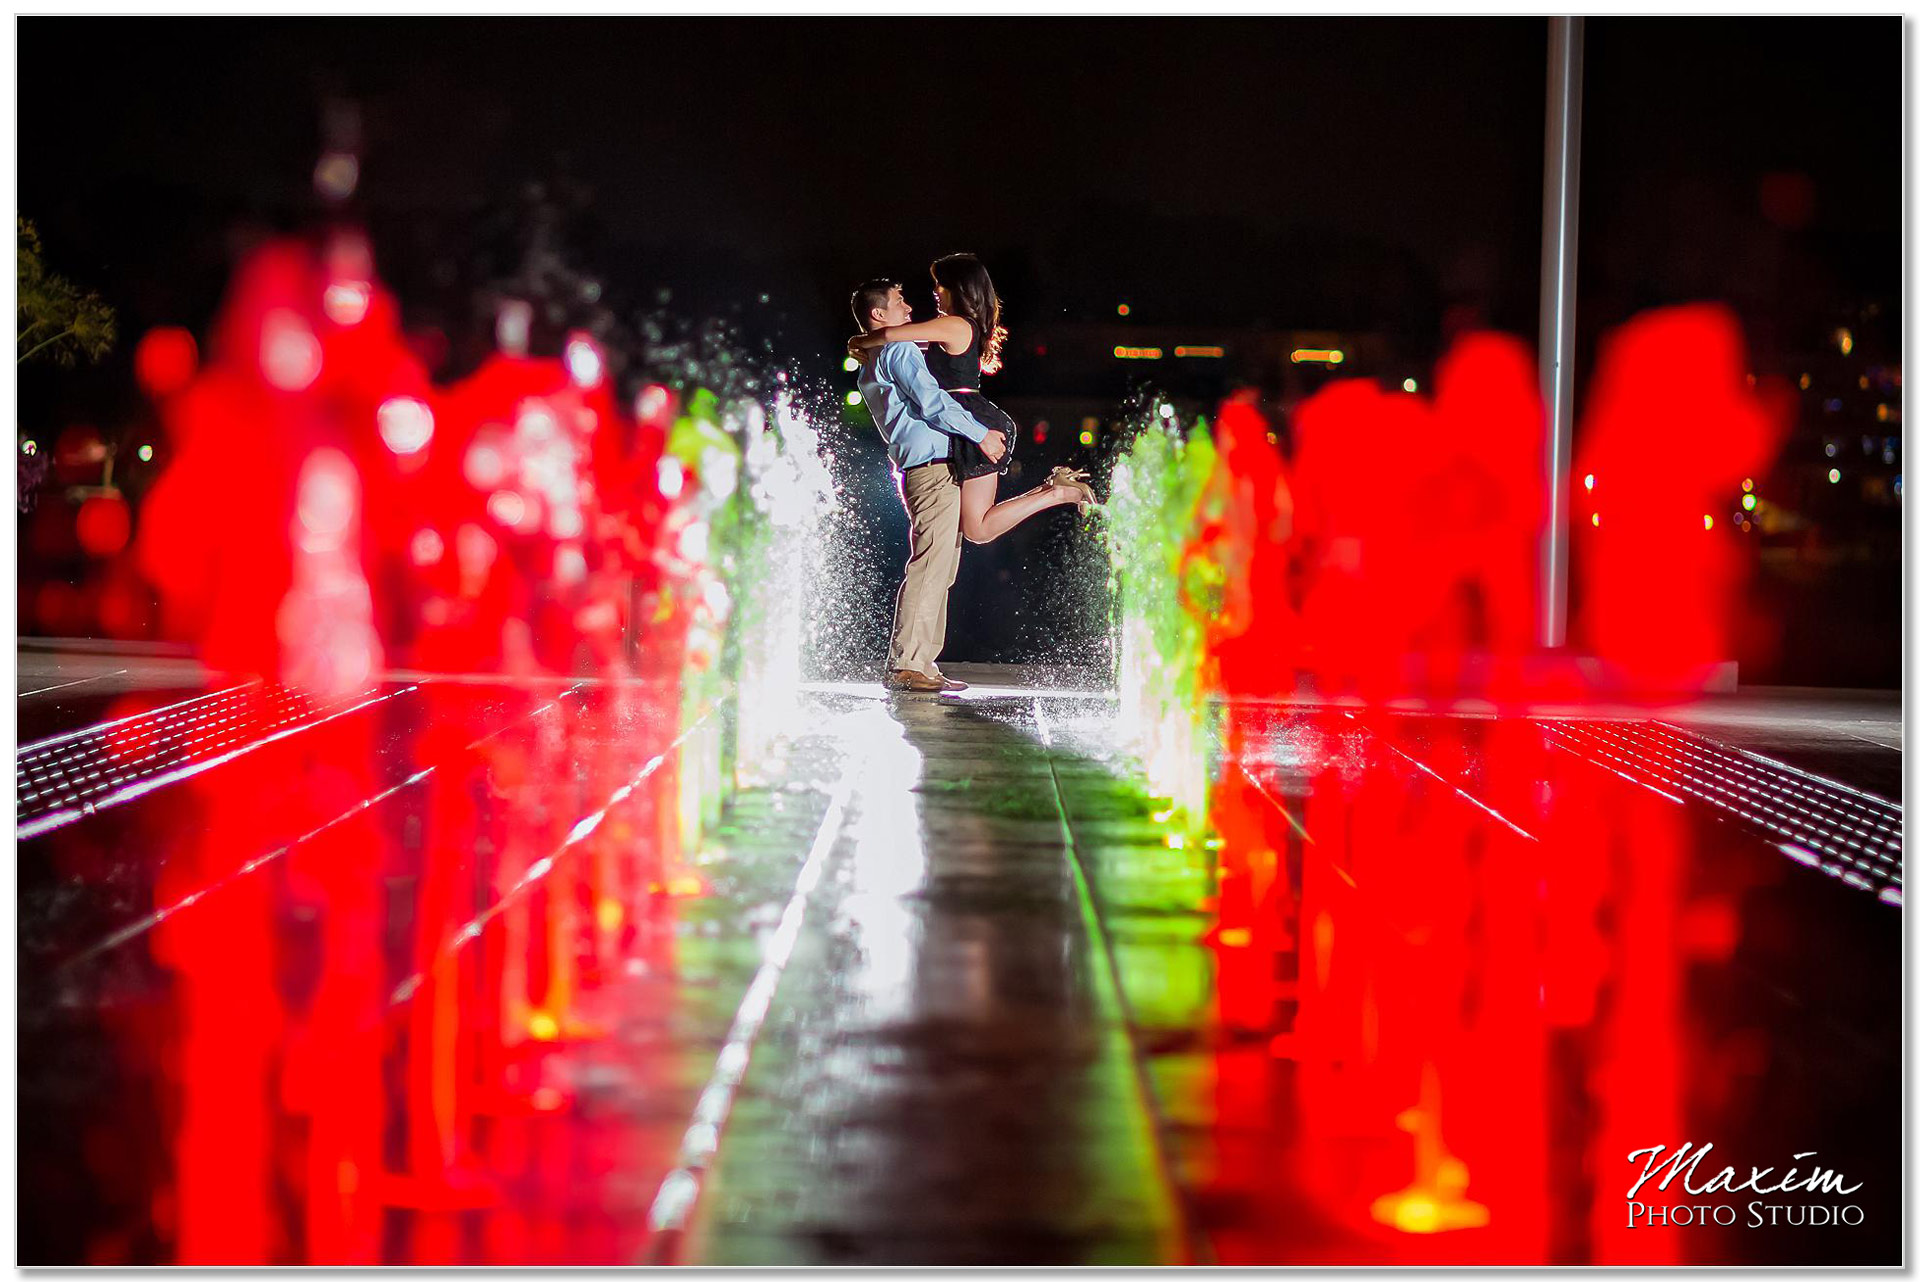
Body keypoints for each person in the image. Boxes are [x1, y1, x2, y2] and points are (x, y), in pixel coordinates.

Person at [849, 253, 1096, 546]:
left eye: (940, 284)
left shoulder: (955, 324)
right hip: (962, 424)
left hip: (976, 423)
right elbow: (900, 340)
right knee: (974, 527)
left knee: (978, 529)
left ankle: (1059, 493)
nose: (934, 291)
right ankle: (1054, 488)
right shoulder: (951, 326)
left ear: (957, 287)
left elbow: (891, 334)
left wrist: (858, 341)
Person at [849, 277, 1004, 694]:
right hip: (931, 468)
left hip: (923, 467)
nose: (909, 309)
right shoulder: (897, 349)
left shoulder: (876, 356)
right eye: (900, 303)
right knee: (932, 564)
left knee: (941, 566)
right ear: (879, 314)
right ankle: (907, 663)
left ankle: (923, 663)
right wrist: (980, 433)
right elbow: (932, 401)